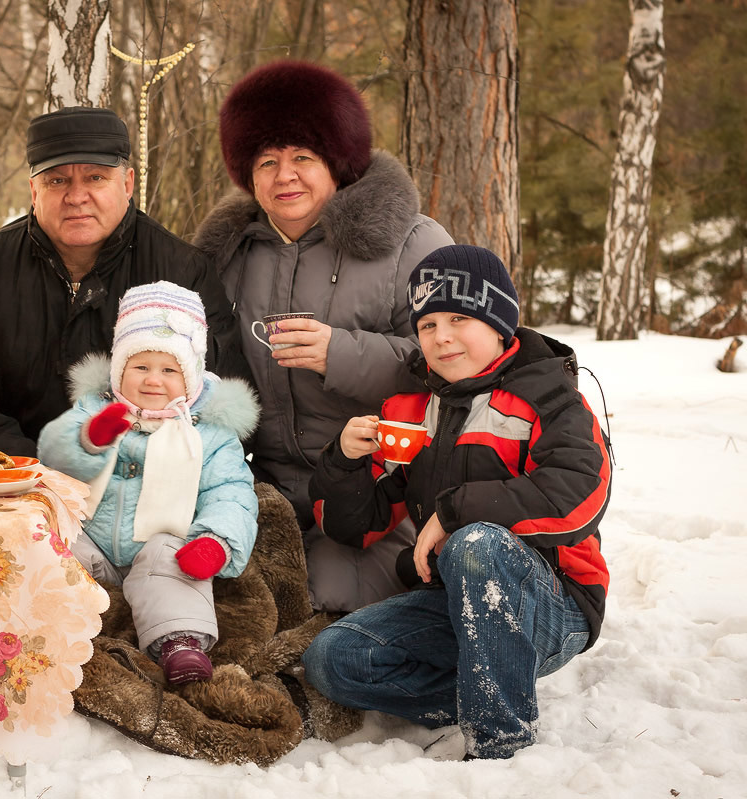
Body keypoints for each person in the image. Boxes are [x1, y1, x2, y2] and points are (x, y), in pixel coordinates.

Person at [302, 244, 612, 760]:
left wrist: (453, 512)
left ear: (499, 325)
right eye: (427, 325)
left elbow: (576, 495)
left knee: (476, 544)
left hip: (554, 605)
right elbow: (355, 527)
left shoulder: (552, 397)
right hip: (451, 602)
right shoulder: (412, 408)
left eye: (459, 319)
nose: (441, 336)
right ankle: (483, 687)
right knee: (333, 658)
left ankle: (499, 741)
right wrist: (344, 461)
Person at [192, 59, 454, 613]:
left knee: (325, 606)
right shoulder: (225, 256)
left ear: (336, 162)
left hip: (374, 493)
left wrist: (343, 353)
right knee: (214, 603)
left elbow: (461, 366)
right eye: (267, 161)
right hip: (253, 488)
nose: (284, 176)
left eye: (302, 158)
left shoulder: (412, 243)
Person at [0, 106, 248, 457]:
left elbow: (216, 399)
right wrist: (36, 473)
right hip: (14, 482)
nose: (76, 197)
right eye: (57, 180)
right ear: (33, 190)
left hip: (145, 484)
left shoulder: (182, 271)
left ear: (128, 183)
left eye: (95, 178)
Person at [38, 281, 259, 684]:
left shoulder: (209, 434)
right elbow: (53, 450)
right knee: (52, 544)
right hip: (94, 540)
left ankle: (179, 642)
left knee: (173, 562)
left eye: (169, 370)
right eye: (140, 366)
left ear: (190, 377)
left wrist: (216, 541)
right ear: (119, 368)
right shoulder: (97, 409)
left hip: (160, 544)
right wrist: (91, 439)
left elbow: (231, 494)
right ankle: (41, 627)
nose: (153, 380)